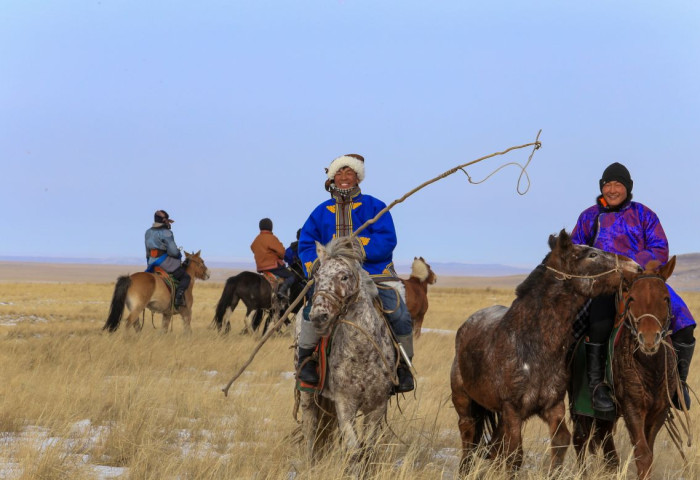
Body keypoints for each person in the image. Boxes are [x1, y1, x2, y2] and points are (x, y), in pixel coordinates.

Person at [572, 162, 696, 411]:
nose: (612, 189)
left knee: (684, 321)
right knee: (599, 322)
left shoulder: (644, 214)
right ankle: (597, 388)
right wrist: (599, 270)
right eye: (607, 184)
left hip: (643, 281)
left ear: (627, 188)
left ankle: (678, 385)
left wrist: (631, 265)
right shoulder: (590, 216)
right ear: (601, 188)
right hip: (605, 284)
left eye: (618, 184)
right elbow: (576, 250)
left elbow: (660, 248)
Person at [296, 153, 415, 393]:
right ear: (332, 178)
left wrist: (356, 248)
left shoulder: (375, 207)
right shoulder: (320, 212)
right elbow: (307, 244)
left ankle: (402, 366)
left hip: (373, 274)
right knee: (311, 311)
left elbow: (387, 240)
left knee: (399, 313)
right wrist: (318, 266)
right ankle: (307, 363)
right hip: (331, 276)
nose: (344, 177)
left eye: (349, 172)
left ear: (358, 177)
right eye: (338, 173)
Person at [145, 209, 190, 308]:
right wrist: (178, 253)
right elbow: (173, 252)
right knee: (186, 277)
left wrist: (149, 263)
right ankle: (178, 298)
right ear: (164, 220)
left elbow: (147, 251)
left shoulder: (148, 232)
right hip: (164, 262)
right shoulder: (166, 233)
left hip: (152, 262)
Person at [251, 218, 296, 300]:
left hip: (261, 268)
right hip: (273, 266)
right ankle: (281, 291)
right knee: (291, 276)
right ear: (270, 226)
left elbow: (253, 247)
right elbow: (282, 252)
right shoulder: (271, 238)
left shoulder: (257, 239)